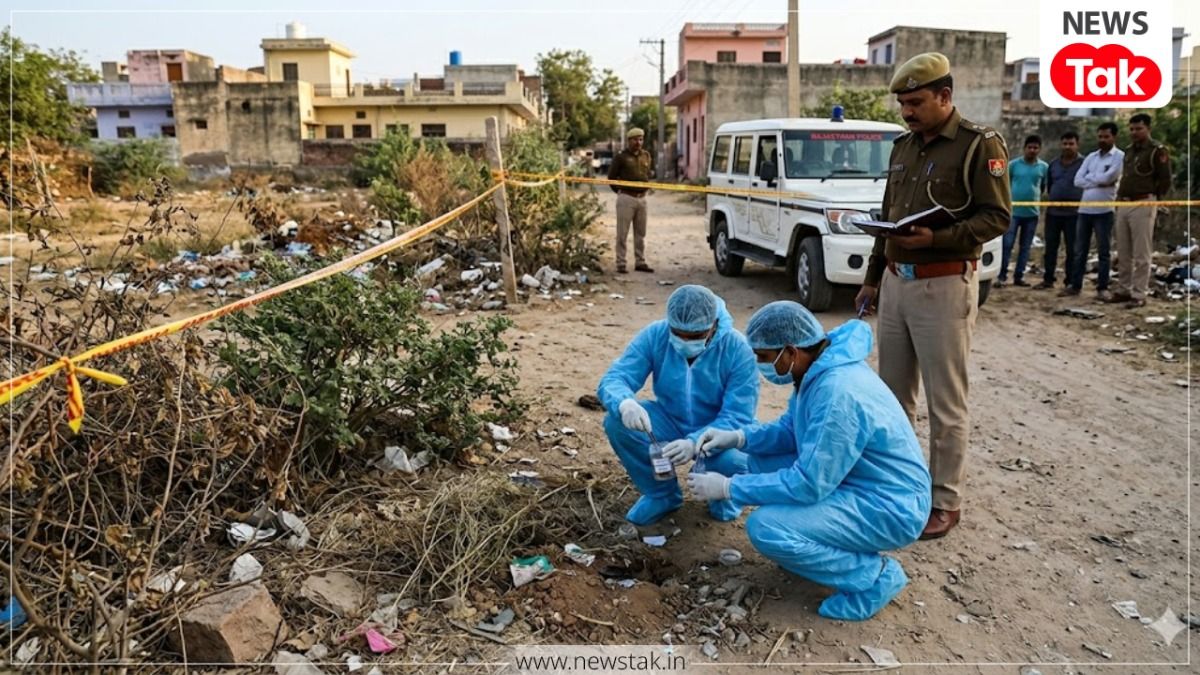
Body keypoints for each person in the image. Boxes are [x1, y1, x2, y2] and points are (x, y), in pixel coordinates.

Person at [689, 302, 931, 622]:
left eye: (764, 357)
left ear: (790, 351)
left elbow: (807, 484)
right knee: (756, 461)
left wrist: (729, 488)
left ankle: (874, 577)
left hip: (890, 506)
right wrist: (739, 437)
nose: (761, 366)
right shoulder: (819, 369)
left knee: (767, 528)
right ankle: (820, 547)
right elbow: (792, 429)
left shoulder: (837, 392)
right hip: (856, 480)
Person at [854, 52, 1010, 540]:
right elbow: (889, 214)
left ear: (945, 96)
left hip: (944, 284)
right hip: (898, 282)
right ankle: (901, 488)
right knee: (894, 398)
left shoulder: (977, 146)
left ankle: (945, 501)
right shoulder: (903, 147)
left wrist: (938, 239)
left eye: (916, 102)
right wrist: (874, 276)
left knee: (946, 402)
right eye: (903, 104)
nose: (907, 112)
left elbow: (997, 217)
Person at [597, 284, 759, 525]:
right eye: (678, 333)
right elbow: (616, 377)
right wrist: (625, 403)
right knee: (617, 423)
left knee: (731, 462)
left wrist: (694, 443)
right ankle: (662, 494)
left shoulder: (737, 349)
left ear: (713, 325)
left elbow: (737, 415)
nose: (684, 342)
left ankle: (725, 494)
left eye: (694, 336)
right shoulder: (656, 335)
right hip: (669, 418)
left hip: (718, 430)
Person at [1112, 113, 1172, 308]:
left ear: (1148, 129)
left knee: (1141, 252)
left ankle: (1139, 294)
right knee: (1123, 250)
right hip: (1124, 203)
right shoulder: (1129, 151)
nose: (1134, 133)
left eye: (1138, 129)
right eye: (1132, 129)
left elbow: (1165, 180)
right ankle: (1123, 289)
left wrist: (1154, 199)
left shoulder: (1157, 151)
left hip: (1143, 203)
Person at [1063, 122, 1123, 299]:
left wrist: (1092, 179)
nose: (1102, 140)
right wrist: (1099, 181)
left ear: (1114, 137)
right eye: (1100, 136)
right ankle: (1075, 286)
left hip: (1104, 211)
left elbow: (1111, 177)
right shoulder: (1091, 157)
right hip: (1085, 210)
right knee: (1080, 250)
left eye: (1106, 136)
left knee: (1103, 252)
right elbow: (1078, 180)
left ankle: (1102, 288)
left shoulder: (1119, 157)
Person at [996, 135, 1047, 288]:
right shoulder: (1013, 165)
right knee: (1007, 245)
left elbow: (1043, 187)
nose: (1032, 150)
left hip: (1032, 214)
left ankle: (1019, 276)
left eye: (1035, 148)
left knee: (1025, 247)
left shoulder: (1043, 167)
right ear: (1024, 148)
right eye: (1029, 147)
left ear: (1039, 149)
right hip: (1012, 213)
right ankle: (1002, 276)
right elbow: (1005, 184)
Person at [1035, 131, 1084, 290]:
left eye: (1071, 144)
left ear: (1077, 145)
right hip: (1053, 213)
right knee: (1050, 248)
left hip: (1074, 214)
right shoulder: (1054, 164)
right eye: (1065, 143)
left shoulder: (1084, 163)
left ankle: (1070, 281)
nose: (1068, 147)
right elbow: (1048, 186)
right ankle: (1048, 279)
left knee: (1072, 249)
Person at [608, 127, 655, 274]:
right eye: (635, 139)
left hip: (642, 200)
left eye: (640, 139)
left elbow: (647, 175)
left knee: (641, 233)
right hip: (626, 198)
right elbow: (611, 177)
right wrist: (620, 192)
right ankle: (621, 263)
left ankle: (640, 261)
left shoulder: (646, 156)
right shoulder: (621, 157)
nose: (638, 142)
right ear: (629, 140)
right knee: (622, 233)